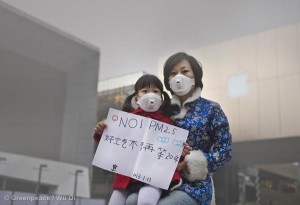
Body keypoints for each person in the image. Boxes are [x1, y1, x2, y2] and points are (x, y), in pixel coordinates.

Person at [124, 52, 232, 205]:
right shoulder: (163, 110)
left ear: (195, 75)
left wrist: (193, 163)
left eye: (185, 71)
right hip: (161, 181)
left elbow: (225, 151)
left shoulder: (211, 109)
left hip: (195, 187)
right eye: (173, 73)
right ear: (168, 80)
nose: (178, 77)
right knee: (131, 201)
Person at [93, 74, 192, 205]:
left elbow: (171, 155)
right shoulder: (125, 120)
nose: (150, 95)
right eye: (145, 91)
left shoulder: (168, 124)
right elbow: (112, 145)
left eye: (155, 91)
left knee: (146, 202)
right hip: (126, 176)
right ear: (137, 97)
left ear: (161, 98)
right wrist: (101, 133)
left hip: (153, 176)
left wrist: (181, 153)